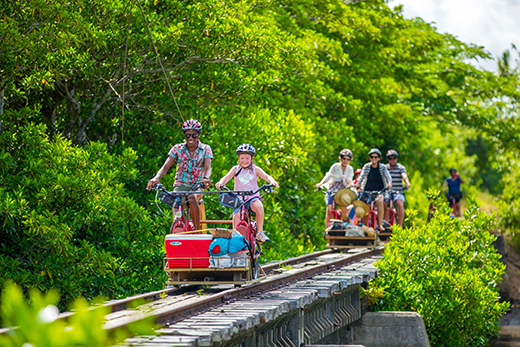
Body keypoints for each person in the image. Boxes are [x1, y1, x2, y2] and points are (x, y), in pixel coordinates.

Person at [146, 119, 213, 231]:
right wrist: (156, 178)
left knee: (192, 197)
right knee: (177, 217)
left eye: (194, 135)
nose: (191, 138)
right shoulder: (177, 149)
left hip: (197, 185)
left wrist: (206, 179)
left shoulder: (205, 149)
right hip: (180, 185)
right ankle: (176, 234)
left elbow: (208, 168)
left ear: (199, 134)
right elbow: (165, 167)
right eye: (188, 135)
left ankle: (197, 231)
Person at [215, 144, 279, 243]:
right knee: (236, 215)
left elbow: (266, 176)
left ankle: (260, 232)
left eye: (247, 158)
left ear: (252, 158)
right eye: (242, 158)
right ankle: (236, 238)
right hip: (239, 199)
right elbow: (226, 178)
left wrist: (272, 181)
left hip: (252, 198)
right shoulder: (235, 169)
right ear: (238, 158)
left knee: (259, 206)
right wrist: (220, 183)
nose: (244, 161)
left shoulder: (255, 169)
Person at [357, 148, 392, 231]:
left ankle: (380, 225)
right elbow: (362, 176)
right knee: (366, 206)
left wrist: (389, 183)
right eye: (372, 157)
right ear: (369, 158)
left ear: (379, 158)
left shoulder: (383, 167)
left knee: (380, 201)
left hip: (379, 190)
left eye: (376, 157)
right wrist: (358, 184)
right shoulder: (367, 166)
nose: (374, 159)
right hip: (367, 190)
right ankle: (365, 226)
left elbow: (388, 177)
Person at [315, 149, 355, 222]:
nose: (345, 161)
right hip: (332, 187)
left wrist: (350, 184)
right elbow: (328, 176)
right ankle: (327, 226)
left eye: (348, 159)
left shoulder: (350, 169)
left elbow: (349, 179)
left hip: (343, 188)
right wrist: (320, 184)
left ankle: (343, 220)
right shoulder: (335, 166)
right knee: (329, 208)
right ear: (340, 158)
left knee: (343, 204)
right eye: (344, 159)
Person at [384, 149, 411, 228]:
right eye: (390, 158)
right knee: (383, 203)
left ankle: (400, 225)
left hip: (398, 191)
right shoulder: (385, 168)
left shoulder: (400, 167)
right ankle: (383, 223)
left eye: (394, 158)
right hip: (387, 191)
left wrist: (407, 182)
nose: (392, 160)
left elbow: (404, 175)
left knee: (399, 203)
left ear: (396, 159)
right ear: (387, 159)